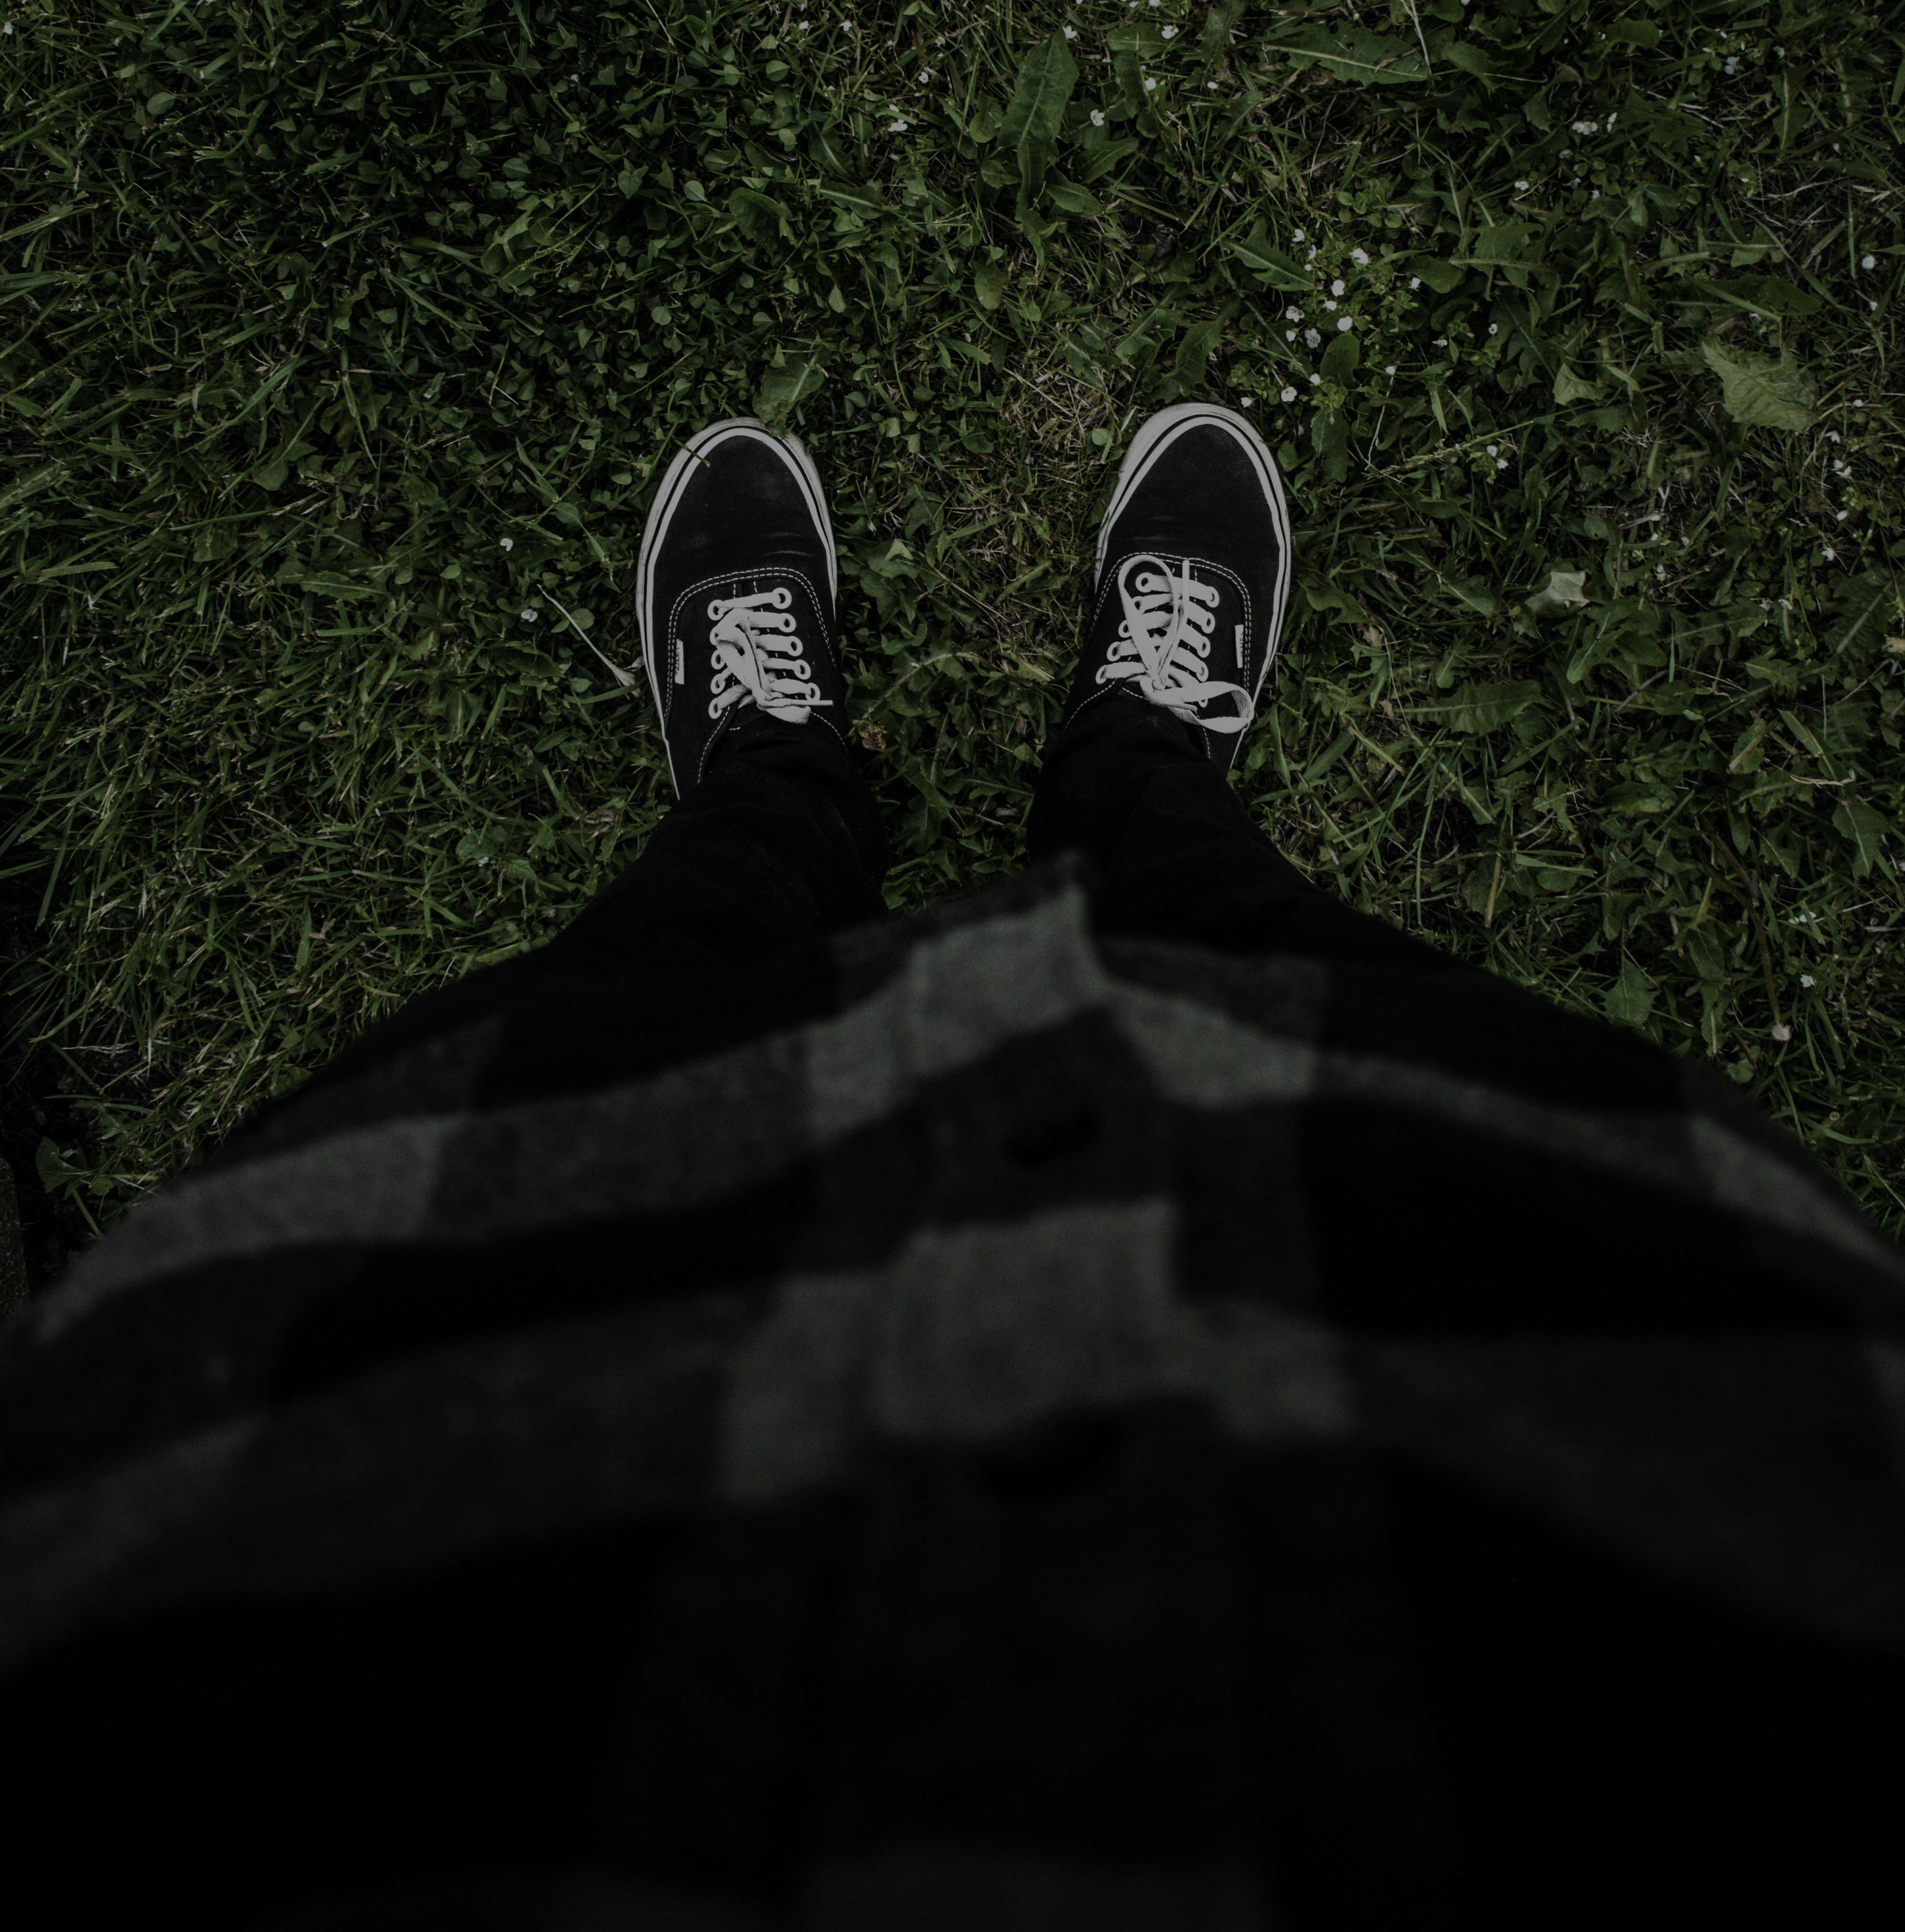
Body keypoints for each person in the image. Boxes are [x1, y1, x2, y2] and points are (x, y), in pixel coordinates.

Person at [1, 402, 1901, 1930]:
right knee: (1284, 970)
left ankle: (783, 784)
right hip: (1634, 1477)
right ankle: (1122, 771)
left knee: (647, 997)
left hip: (314, 1559)